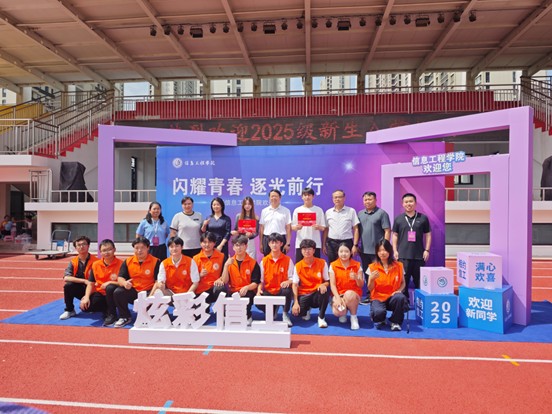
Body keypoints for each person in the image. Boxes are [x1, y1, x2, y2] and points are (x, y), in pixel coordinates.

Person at [112, 236, 160, 328]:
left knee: (154, 315)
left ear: (148, 248)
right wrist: (125, 283)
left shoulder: (156, 261)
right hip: (134, 292)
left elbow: (157, 281)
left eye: (142, 248)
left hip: (149, 292)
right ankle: (124, 316)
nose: (139, 250)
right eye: (136, 248)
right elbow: (120, 278)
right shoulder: (128, 261)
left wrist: (150, 297)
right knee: (118, 292)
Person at [391, 193, 432, 299]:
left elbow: (428, 234)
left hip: (419, 256)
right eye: (406, 202)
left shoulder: (423, 218)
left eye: (411, 201)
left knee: (420, 282)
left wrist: (427, 250)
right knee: (403, 281)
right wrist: (395, 250)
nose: (408, 204)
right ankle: (405, 302)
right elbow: (395, 235)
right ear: (402, 204)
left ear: (415, 203)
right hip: (403, 256)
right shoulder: (398, 219)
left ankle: (420, 302)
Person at [357, 191, 391, 304]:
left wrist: (385, 247)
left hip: (378, 252)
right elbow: (357, 231)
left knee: (378, 273)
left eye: (370, 199)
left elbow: (387, 230)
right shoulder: (360, 214)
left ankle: (380, 294)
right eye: (365, 200)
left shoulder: (382, 213)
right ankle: (370, 295)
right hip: (364, 250)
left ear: (376, 200)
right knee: (368, 273)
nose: (368, 201)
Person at [368, 239, 408, 331]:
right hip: (378, 297)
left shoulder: (399, 265)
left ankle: (395, 322)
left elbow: (403, 282)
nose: (382, 253)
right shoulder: (372, 267)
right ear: (377, 252)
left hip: (393, 297)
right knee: (378, 314)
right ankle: (380, 317)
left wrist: (399, 290)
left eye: (385, 250)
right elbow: (370, 288)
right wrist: (371, 279)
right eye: (380, 250)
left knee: (400, 297)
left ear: (390, 251)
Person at [80, 239, 123, 326]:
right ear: (100, 252)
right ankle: (106, 308)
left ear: (114, 250)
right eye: (104, 250)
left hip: (115, 294)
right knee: (86, 307)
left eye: (109, 249)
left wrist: (110, 282)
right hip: (100, 293)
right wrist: (86, 297)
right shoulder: (96, 264)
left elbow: (124, 283)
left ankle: (112, 314)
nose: (107, 252)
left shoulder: (122, 264)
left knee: (110, 287)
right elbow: (91, 283)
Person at [221, 235, 261, 325]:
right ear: (233, 247)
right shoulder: (229, 262)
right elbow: (224, 281)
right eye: (237, 245)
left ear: (246, 246)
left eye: (242, 245)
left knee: (246, 296)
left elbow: (255, 283)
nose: (239, 248)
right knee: (228, 314)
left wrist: (247, 287)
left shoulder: (253, 263)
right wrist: (226, 266)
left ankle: (248, 315)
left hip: (247, 291)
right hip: (233, 292)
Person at [291, 238, 330, 328]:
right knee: (297, 314)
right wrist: (295, 302)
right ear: (301, 251)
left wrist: (323, 284)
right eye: (304, 249)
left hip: (317, 293)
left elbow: (327, 281)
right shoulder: (298, 266)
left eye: (309, 249)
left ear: (314, 250)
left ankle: (321, 317)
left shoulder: (322, 263)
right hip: (304, 294)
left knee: (325, 290)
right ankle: (307, 309)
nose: (307, 251)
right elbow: (295, 284)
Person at [258, 233, 294, 327]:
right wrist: (258, 291)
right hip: (269, 291)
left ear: (281, 244)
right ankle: (273, 310)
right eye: (272, 242)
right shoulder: (264, 261)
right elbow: (261, 280)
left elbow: (293, 278)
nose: (274, 245)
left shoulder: (288, 260)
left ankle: (285, 314)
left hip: (281, 291)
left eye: (277, 242)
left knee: (287, 290)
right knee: (257, 300)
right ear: (269, 244)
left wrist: (288, 281)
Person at [59, 236, 99, 320]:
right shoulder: (73, 262)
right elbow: (66, 277)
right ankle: (70, 310)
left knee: (90, 309)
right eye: (79, 245)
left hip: (94, 290)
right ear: (75, 248)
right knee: (68, 286)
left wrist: (87, 296)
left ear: (88, 246)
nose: (81, 246)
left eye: (84, 244)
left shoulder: (96, 261)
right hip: (81, 289)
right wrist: (84, 281)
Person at [329, 243, 363, 330]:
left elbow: (361, 285)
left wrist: (356, 278)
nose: (343, 254)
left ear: (350, 252)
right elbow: (332, 285)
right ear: (337, 252)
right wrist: (338, 298)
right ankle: (343, 313)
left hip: (353, 294)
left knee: (349, 294)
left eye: (346, 251)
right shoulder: (333, 265)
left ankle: (353, 317)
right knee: (338, 312)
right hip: (339, 294)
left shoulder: (357, 265)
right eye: (341, 251)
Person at [323, 189, 360, 264]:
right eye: (335, 197)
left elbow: (356, 229)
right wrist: (323, 245)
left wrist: (355, 245)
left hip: (346, 242)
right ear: (333, 199)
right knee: (332, 264)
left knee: (347, 263)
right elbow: (326, 229)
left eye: (339, 197)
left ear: (344, 198)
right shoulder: (328, 212)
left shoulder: (351, 211)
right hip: (331, 243)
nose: (337, 199)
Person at [292, 187, 326, 261]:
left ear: (313, 196)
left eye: (309, 195)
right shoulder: (297, 210)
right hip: (300, 243)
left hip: (315, 243)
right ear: (302, 197)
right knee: (300, 264)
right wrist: (297, 227)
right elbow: (292, 227)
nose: (307, 197)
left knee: (316, 264)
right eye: (305, 195)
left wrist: (318, 227)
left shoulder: (319, 210)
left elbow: (323, 227)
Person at [193, 232, 227, 304]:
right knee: (199, 311)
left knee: (220, 289)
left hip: (214, 288)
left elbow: (226, 273)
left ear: (214, 243)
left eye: (210, 242)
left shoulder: (221, 256)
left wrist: (220, 279)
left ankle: (221, 309)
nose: (207, 245)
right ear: (200, 243)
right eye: (204, 242)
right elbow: (191, 278)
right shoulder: (195, 258)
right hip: (201, 290)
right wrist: (199, 275)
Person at [259, 189, 292, 256]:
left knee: (281, 259)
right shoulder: (264, 211)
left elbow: (288, 228)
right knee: (267, 259)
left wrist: (288, 243)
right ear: (269, 198)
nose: (273, 198)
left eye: (276, 196)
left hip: (280, 239)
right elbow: (262, 228)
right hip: (267, 239)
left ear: (280, 197)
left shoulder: (286, 211)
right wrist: (261, 243)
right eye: (272, 196)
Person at [201, 197, 232, 263]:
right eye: (214, 205)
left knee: (222, 262)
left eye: (218, 204)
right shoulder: (209, 218)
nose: (215, 206)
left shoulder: (226, 218)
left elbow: (227, 233)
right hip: (210, 244)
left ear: (221, 206)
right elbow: (204, 231)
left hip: (222, 244)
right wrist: (204, 225)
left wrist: (220, 245)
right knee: (210, 263)